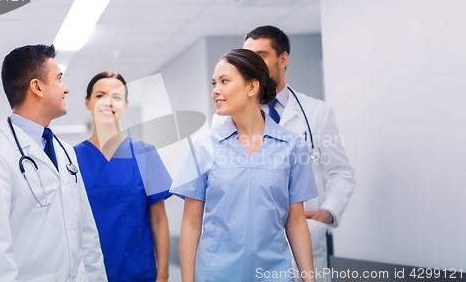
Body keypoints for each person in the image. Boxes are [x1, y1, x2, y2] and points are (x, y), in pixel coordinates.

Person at [211, 26, 356, 282]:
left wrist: (328, 213)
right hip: (251, 246)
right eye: (248, 55)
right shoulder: (224, 120)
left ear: (283, 58)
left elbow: (340, 172)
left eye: (261, 54)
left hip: (307, 238)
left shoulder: (316, 113)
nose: (253, 62)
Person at [171, 49, 318, 282]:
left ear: (252, 87)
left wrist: (310, 279)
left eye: (224, 81)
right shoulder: (202, 147)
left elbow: (296, 221)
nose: (215, 91)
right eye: (214, 83)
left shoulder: (291, 146)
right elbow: (190, 223)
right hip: (216, 274)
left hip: (274, 273)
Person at [0, 44, 107, 281]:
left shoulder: (66, 153)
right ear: (37, 87)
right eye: (59, 79)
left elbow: (87, 232)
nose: (66, 88)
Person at [74, 71, 172, 282]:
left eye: (116, 97)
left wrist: (163, 274)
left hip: (138, 271)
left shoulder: (144, 153)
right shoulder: (71, 159)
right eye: (100, 95)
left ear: (125, 106)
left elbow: (158, 219)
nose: (108, 102)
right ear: (87, 103)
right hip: (88, 272)